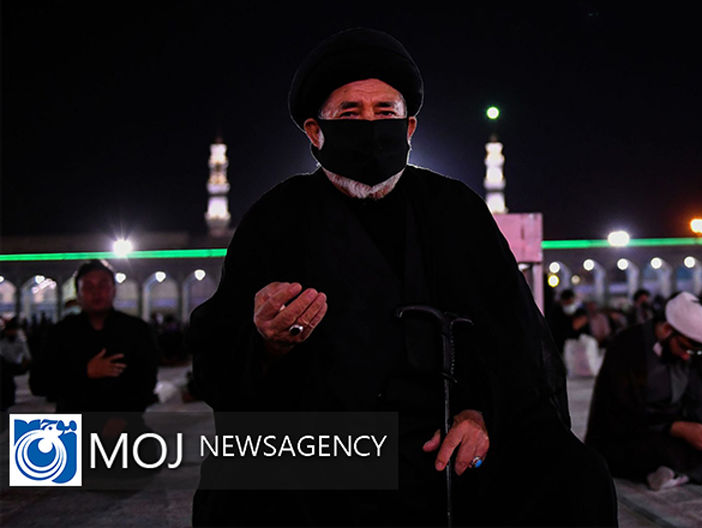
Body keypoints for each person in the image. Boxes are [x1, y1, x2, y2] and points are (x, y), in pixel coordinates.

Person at [188, 28, 615, 527]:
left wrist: (481, 415)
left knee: (573, 476)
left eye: (385, 113)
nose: (370, 127)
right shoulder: (277, 218)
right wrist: (266, 342)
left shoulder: (455, 210)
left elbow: (515, 341)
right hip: (324, 443)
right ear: (313, 130)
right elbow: (218, 351)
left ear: (409, 128)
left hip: (443, 433)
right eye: (350, 113)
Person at [584, 292, 702, 491]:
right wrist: (675, 428)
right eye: (685, 348)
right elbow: (619, 413)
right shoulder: (628, 345)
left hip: (682, 428)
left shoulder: (691, 350)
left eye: (694, 352)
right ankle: (686, 469)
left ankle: (678, 473)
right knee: (655, 451)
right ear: (668, 329)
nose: (687, 357)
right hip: (636, 433)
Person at [39, 259, 159, 414]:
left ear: (114, 290)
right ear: (78, 294)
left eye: (103, 285)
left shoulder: (136, 331)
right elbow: (39, 383)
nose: (96, 292)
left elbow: (146, 382)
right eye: (88, 287)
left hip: (125, 425)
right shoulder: (61, 333)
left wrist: (123, 418)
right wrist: (85, 372)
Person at [1, 317, 32, 411]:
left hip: (15, 365)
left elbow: (27, 357)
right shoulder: (3, 341)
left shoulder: (20, 341)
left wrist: (23, 366)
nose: (12, 333)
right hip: (5, 365)